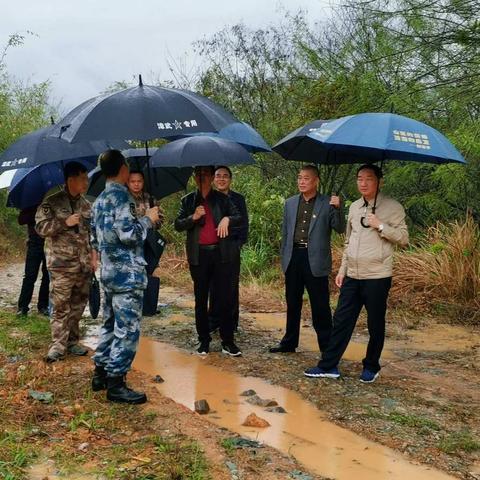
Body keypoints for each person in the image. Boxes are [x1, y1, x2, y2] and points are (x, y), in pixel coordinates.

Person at [304, 164, 408, 383]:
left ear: (379, 181)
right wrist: (343, 270)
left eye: (368, 179)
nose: (363, 183)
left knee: (375, 323)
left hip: (377, 276)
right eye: (359, 179)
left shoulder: (393, 207)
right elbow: (349, 241)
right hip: (353, 275)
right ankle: (329, 365)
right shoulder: (354, 207)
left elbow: (403, 239)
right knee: (341, 320)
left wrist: (380, 226)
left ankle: (371, 366)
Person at [90, 150, 159, 404]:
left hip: (108, 273)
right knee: (127, 329)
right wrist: (147, 220)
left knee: (109, 323)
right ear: (122, 169)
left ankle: (100, 372)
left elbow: (94, 236)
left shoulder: (98, 200)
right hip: (126, 275)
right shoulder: (122, 198)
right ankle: (116, 382)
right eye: (128, 165)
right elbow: (128, 235)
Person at [269, 164, 345, 354]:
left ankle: (327, 347)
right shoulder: (290, 203)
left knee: (320, 305)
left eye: (306, 178)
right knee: (292, 302)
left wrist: (338, 208)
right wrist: (284, 258)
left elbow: (339, 228)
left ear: (316, 181)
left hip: (316, 260)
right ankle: (289, 342)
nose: (302, 182)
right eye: (300, 178)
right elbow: (285, 233)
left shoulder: (327, 203)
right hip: (294, 257)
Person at [175, 165, 242, 356]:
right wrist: (193, 217)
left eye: (205, 174)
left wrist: (227, 219)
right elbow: (178, 225)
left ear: (212, 177)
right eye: (198, 174)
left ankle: (227, 341)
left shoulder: (223, 199)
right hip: (199, 256)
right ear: (194, 177)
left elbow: (239, 217)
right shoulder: (188, 200)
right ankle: (203, 340)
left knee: (225, 298)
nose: (201, 177)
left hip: (221, 255)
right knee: (201, 298)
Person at [35, 162, 93, 363]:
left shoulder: (86, 204)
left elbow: (92, 234)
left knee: (78, 304)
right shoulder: (51, 202)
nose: (86, 182)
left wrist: (94, 258)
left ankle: (72, 341)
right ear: (71, 180)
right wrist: (64, 222)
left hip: (83, 264)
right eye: (83, 178)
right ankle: (57, 345)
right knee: (60, 305)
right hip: (61, 265)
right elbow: (41, 228)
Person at [208, 165, 249, 332]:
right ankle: (213, 321)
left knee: (231, 287)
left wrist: (238, 244)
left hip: (231, 248)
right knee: (214, 286)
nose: (221, 179)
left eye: (225, 176)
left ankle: (231, 323)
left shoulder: (238, 199)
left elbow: (244, 223)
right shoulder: (208, 198)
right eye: (218, 176)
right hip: (211, 249)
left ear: (230, 180)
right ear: (213, 179)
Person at [127, 170, 164, 316]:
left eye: (139, 181)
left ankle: (148, 306)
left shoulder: (150, 199)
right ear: (127, 182)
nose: (136, 184)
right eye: (133, 181)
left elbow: (161, 221)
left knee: (149, 272)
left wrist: (154, 218)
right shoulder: (124, 200)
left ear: (143, 182)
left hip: (148, 243)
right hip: (131, 244)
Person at [16, 205, 50, 317]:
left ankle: (43, 306)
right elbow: (21, 220)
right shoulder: (30, 203)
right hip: (34, 242)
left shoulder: (53, 203)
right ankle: (22, 307)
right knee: (30, 275)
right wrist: (35, 212)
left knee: (47, 276)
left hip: (50, 242)